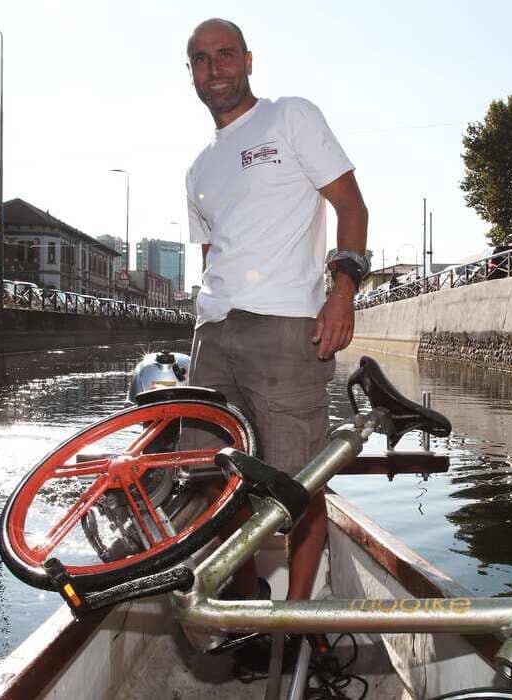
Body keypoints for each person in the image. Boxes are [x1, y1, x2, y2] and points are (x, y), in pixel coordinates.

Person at [184, 18, 369, 602]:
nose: (215, 69)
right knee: (214, 475)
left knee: (300, 481)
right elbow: (214, 254)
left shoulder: (290, 116)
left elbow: (352, 207)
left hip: (287, 326)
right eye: (201, 59)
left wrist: (342, 293)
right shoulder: (197, 170)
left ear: (248, 60)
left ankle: (296, 620)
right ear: (190, 72)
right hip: (212, 333)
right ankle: (245, 595)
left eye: (225, 54)